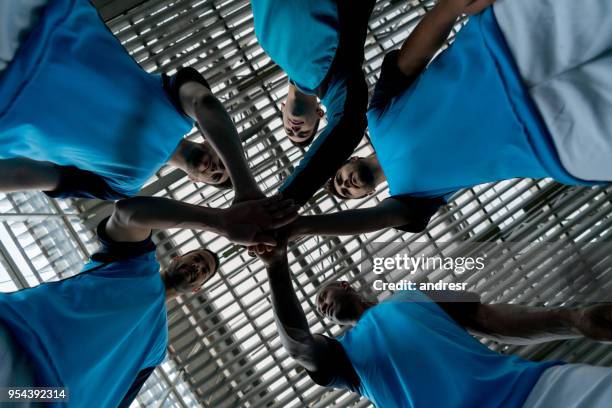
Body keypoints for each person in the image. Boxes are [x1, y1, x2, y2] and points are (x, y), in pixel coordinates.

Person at [301, 0, 612, 238]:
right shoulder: (411, 200)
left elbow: (411, 60)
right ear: (366, 196)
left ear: (350, 158)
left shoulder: (376, 115)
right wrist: (300, 226)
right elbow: (376, 219)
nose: (346, 183)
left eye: (339, 178)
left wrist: (451, 6)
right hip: (555, 143)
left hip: (507, 42)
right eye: (347, 191)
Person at [0, 189, 299, 407]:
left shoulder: (156, 347)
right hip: (15, 334)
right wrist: (217, 220)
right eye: (196, 259)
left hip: (43, 397)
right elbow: (128, 213)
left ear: (197, 289)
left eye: (203, 271)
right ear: (176, 258)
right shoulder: (134, 265)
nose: (196, 267)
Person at [257, 241, 612, 408]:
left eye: (324, 295)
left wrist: (574, 319)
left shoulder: (414, 291)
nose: (322, 306)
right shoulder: (345, 361)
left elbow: (488, 318)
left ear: (345, 285)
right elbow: (298, 345)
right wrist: (276, 266)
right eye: (319, 310)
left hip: (541, 392)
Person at [0, 0, 249, 199]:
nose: (216, 168)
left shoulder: (121, 187)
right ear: (210, 141)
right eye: (222, 161)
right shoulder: (180, 107)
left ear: (195, 181)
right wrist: (245, 185)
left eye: (216, 176)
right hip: (42, 23)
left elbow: (25, 175)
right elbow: (204, 104)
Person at [250, 0, 372, 206]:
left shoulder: (268, 42)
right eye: (303, 132)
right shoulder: (335, 81)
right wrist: (287, 199)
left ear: (282, 110)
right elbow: (348, 125)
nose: (294, 129)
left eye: (289, 131)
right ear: (320, 113)